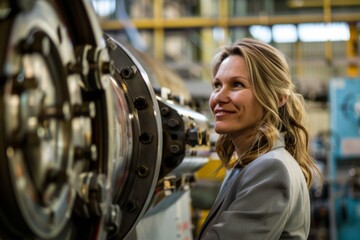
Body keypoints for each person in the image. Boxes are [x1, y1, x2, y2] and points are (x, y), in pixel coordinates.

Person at [197, 38, 321, 240]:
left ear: (279, 97)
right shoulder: (251, 164)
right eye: (217, 85)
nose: (219, 97)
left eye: (237, 85)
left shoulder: (271, 169)